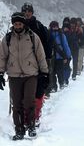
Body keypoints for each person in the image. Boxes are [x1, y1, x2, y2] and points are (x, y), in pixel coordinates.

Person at [0, 12, 48, 140]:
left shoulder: (33, 37)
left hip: (30, 74)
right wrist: (0, 73)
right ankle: (19, 129)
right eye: (15, 23)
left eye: (20, 23)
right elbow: (2, 57)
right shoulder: (8, 38)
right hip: (14, 75)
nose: (17, 26)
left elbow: (41, 56)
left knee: (28, 101)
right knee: (16, 104)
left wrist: (44, 73)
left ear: (24, 24)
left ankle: (31, 126)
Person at [48, 21, 72, 92]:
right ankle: (54, 86)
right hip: (52, 56)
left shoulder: (61, 35)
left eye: (56, 26)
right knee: (52, 73)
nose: (55, 28)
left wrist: (67, 56)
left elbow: (65, 45)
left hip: (60, 56)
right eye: (53, 26)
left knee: (60, 71)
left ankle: (61, 83)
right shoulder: (49, 34)